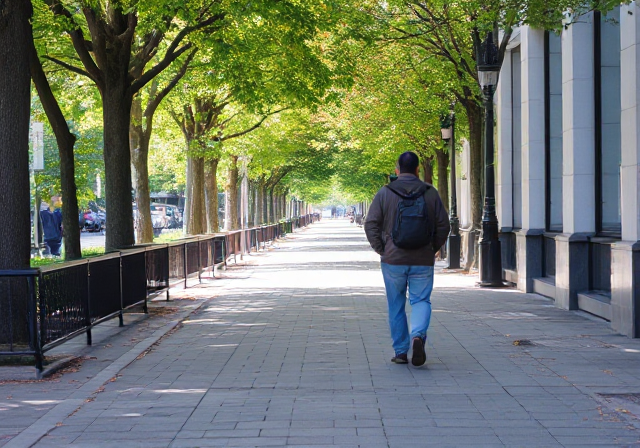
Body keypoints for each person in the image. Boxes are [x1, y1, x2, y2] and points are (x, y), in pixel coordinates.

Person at [364, 152, 450, 366]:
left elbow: (371, 224)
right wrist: (432, 248)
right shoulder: (430, 193)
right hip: (422, 259)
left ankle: (401, 351)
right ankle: (418, 336)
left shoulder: (385, 193)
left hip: (393, 259)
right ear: (418, 169)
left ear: (397, 170)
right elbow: (444, 225)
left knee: (396, 305)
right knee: (421, 300)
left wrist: (381, 249)